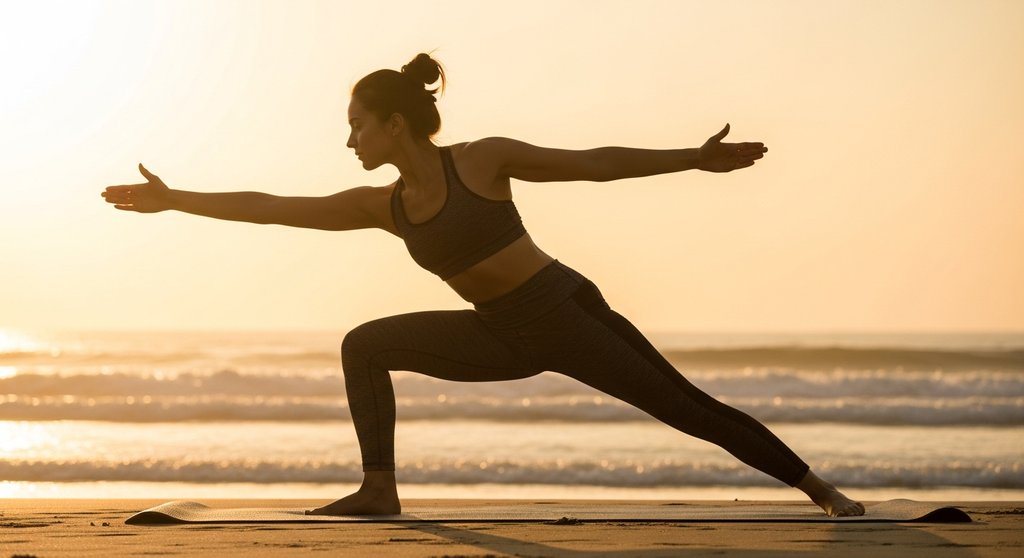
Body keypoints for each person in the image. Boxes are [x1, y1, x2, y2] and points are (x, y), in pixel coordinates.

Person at [102, 53, 865, 518]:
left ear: (397, 123)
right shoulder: (385, 205)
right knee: (366, 344)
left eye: (359, 124)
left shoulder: (482, 160)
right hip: (498, 331)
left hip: (566, 312)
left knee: (684, 406)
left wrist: (690, 159)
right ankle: (379, 489)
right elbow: (273, 210)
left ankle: (821, 489)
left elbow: (591, 161)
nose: (349, 139)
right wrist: (177, 199)